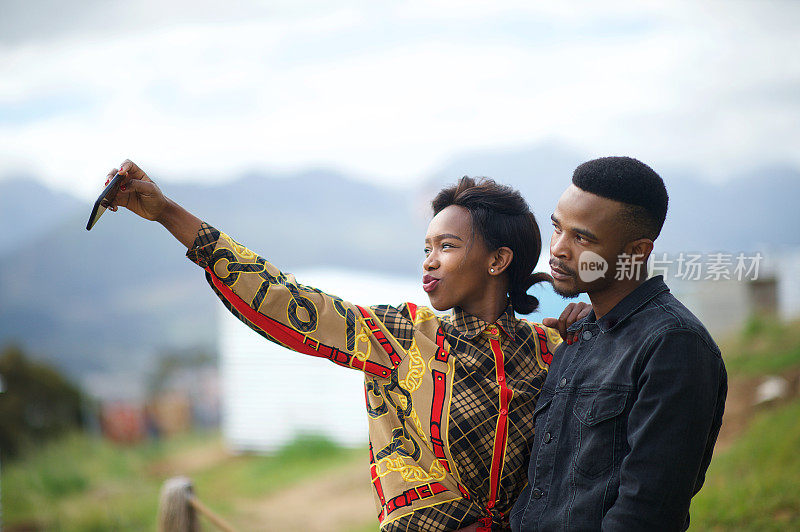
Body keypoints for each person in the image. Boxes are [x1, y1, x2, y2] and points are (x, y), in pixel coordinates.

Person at [101, 160, 589, 531]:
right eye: (426, 248)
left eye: (447, 246)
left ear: (498, 259)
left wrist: (598, 322)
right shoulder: (400, 338)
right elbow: (282, 299)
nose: (430, 262)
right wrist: (166, 213)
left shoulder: (554, 349)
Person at [510, 157, 728, 531]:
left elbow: (648, 512)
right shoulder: (578, 337)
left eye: (582, 238)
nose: (559, 249)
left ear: (636, 251)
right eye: (557, 228)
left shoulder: (673, 345)